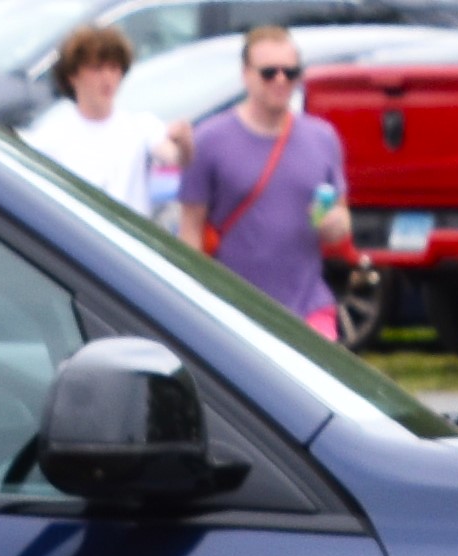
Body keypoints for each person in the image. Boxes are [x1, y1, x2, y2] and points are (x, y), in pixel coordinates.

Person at [180, 24, 356, 339]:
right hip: (234, 311)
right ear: (245, 74)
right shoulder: (209, 140)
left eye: (290, 72)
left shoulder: (322, 138)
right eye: (269, 72)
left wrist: (336, 224)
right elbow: (190, 228)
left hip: (309, 308)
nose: (280, 80)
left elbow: (342, 216)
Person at [27, 24, 185, 226]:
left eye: (114, 68)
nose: (108, 78)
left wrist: (184, 141)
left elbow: (176, 157)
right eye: (97, 69)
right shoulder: (49, 136)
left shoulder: (140, 126)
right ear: (72, 76)